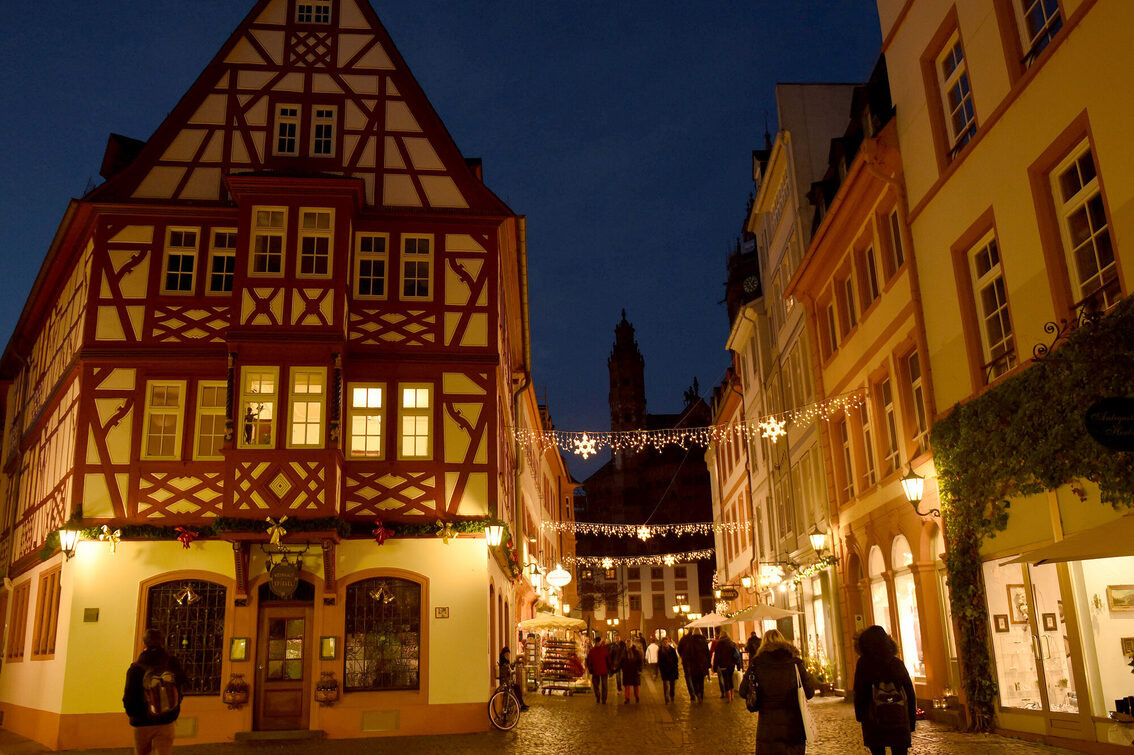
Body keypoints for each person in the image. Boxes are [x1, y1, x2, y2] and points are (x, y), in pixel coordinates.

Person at [750, 629, 816, 754]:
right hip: (793, 728)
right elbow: (810, 692)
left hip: (767, 729)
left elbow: (743, 691)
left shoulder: (757, 664)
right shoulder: (795, 663)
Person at [853, 626, 917, 755]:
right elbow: (910, 692)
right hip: (898, 720)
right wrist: (911, 721)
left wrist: (860, 716)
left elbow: (859, 692)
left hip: (874, 721)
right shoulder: (897, 663)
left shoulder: (863, 664)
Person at [123, 628, 187, 755]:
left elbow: (129, 697)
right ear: (162, 642)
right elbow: (182, 682)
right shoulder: (172, 663)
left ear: (144, 644)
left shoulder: (135, 668)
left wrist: (133, 714)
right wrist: (174, 708)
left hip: (141, 721)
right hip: (166, 718)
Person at [498, 647, 529, 711]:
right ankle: (520, 704)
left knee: (517, 688)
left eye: (508, 654)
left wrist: (514, 664)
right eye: (506, 654)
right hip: (505, 683)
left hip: (508, 682)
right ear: (503, 655)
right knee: (516, 688)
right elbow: (506, 672)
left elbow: (509, 669)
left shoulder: (506, 662)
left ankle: (521, 704)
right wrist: (512, 672)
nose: (508, 656)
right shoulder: (503, 663)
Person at [713, 629, 739, 703]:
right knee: (730, 679)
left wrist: (715, 667)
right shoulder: (732, 643)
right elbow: (737, 655)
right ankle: (732, 695)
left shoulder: (719, 644)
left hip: (723, 665)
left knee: (725, 680)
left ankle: (729, 697)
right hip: (731, 664)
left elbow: (716, 657)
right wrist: (738, 664)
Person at [685, 628, 712, 702]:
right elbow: (707, 653)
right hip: (702, 663)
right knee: (701, 681)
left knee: (694, 680)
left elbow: (688, 653)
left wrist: (688, 662)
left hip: (693, 664)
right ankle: (701, 695)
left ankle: (697, 693)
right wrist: (709, 664)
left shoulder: (690, 641)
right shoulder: (704, 641)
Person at [586, 636, 611, 703]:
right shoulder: (592, 651)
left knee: (604, 685)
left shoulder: (604, 650)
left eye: (598, 642)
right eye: (596, 642)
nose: (597, 643)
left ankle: (604, 699)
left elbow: (608, 660)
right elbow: (589, 661)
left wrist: (610, 668)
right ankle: (598, 696)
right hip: (595, 670)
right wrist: (590, 668)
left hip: (603, 670)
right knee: (595, 685)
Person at [658, 637, 680, 703]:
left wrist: (675, 667)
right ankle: (666, 697)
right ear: (662, 643)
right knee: (665, 685)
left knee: (672, 684)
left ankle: (672, 695)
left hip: (672, 669)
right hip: (664, 670)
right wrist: (661, 669)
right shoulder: (660, 651)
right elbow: (659, 661)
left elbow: (676, 660)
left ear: (668, 642)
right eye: (664, 642)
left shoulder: (672, 650)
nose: (665, 643)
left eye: (666, 642)